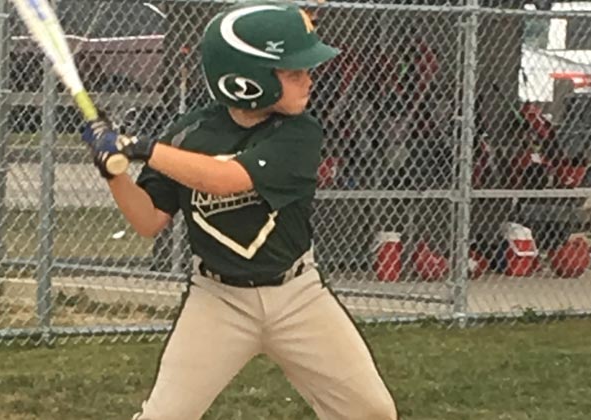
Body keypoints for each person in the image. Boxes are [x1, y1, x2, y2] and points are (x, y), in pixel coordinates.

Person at [80, 2, 398, 419]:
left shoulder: (300, 133)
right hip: (218, 301)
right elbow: (147, 220)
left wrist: (139, 148)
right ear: (247, 81)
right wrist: (113, 172)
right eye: (293, 72)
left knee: (372, 412)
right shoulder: (188, 134)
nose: (308, 80)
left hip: (297, 296)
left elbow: (225, 179)